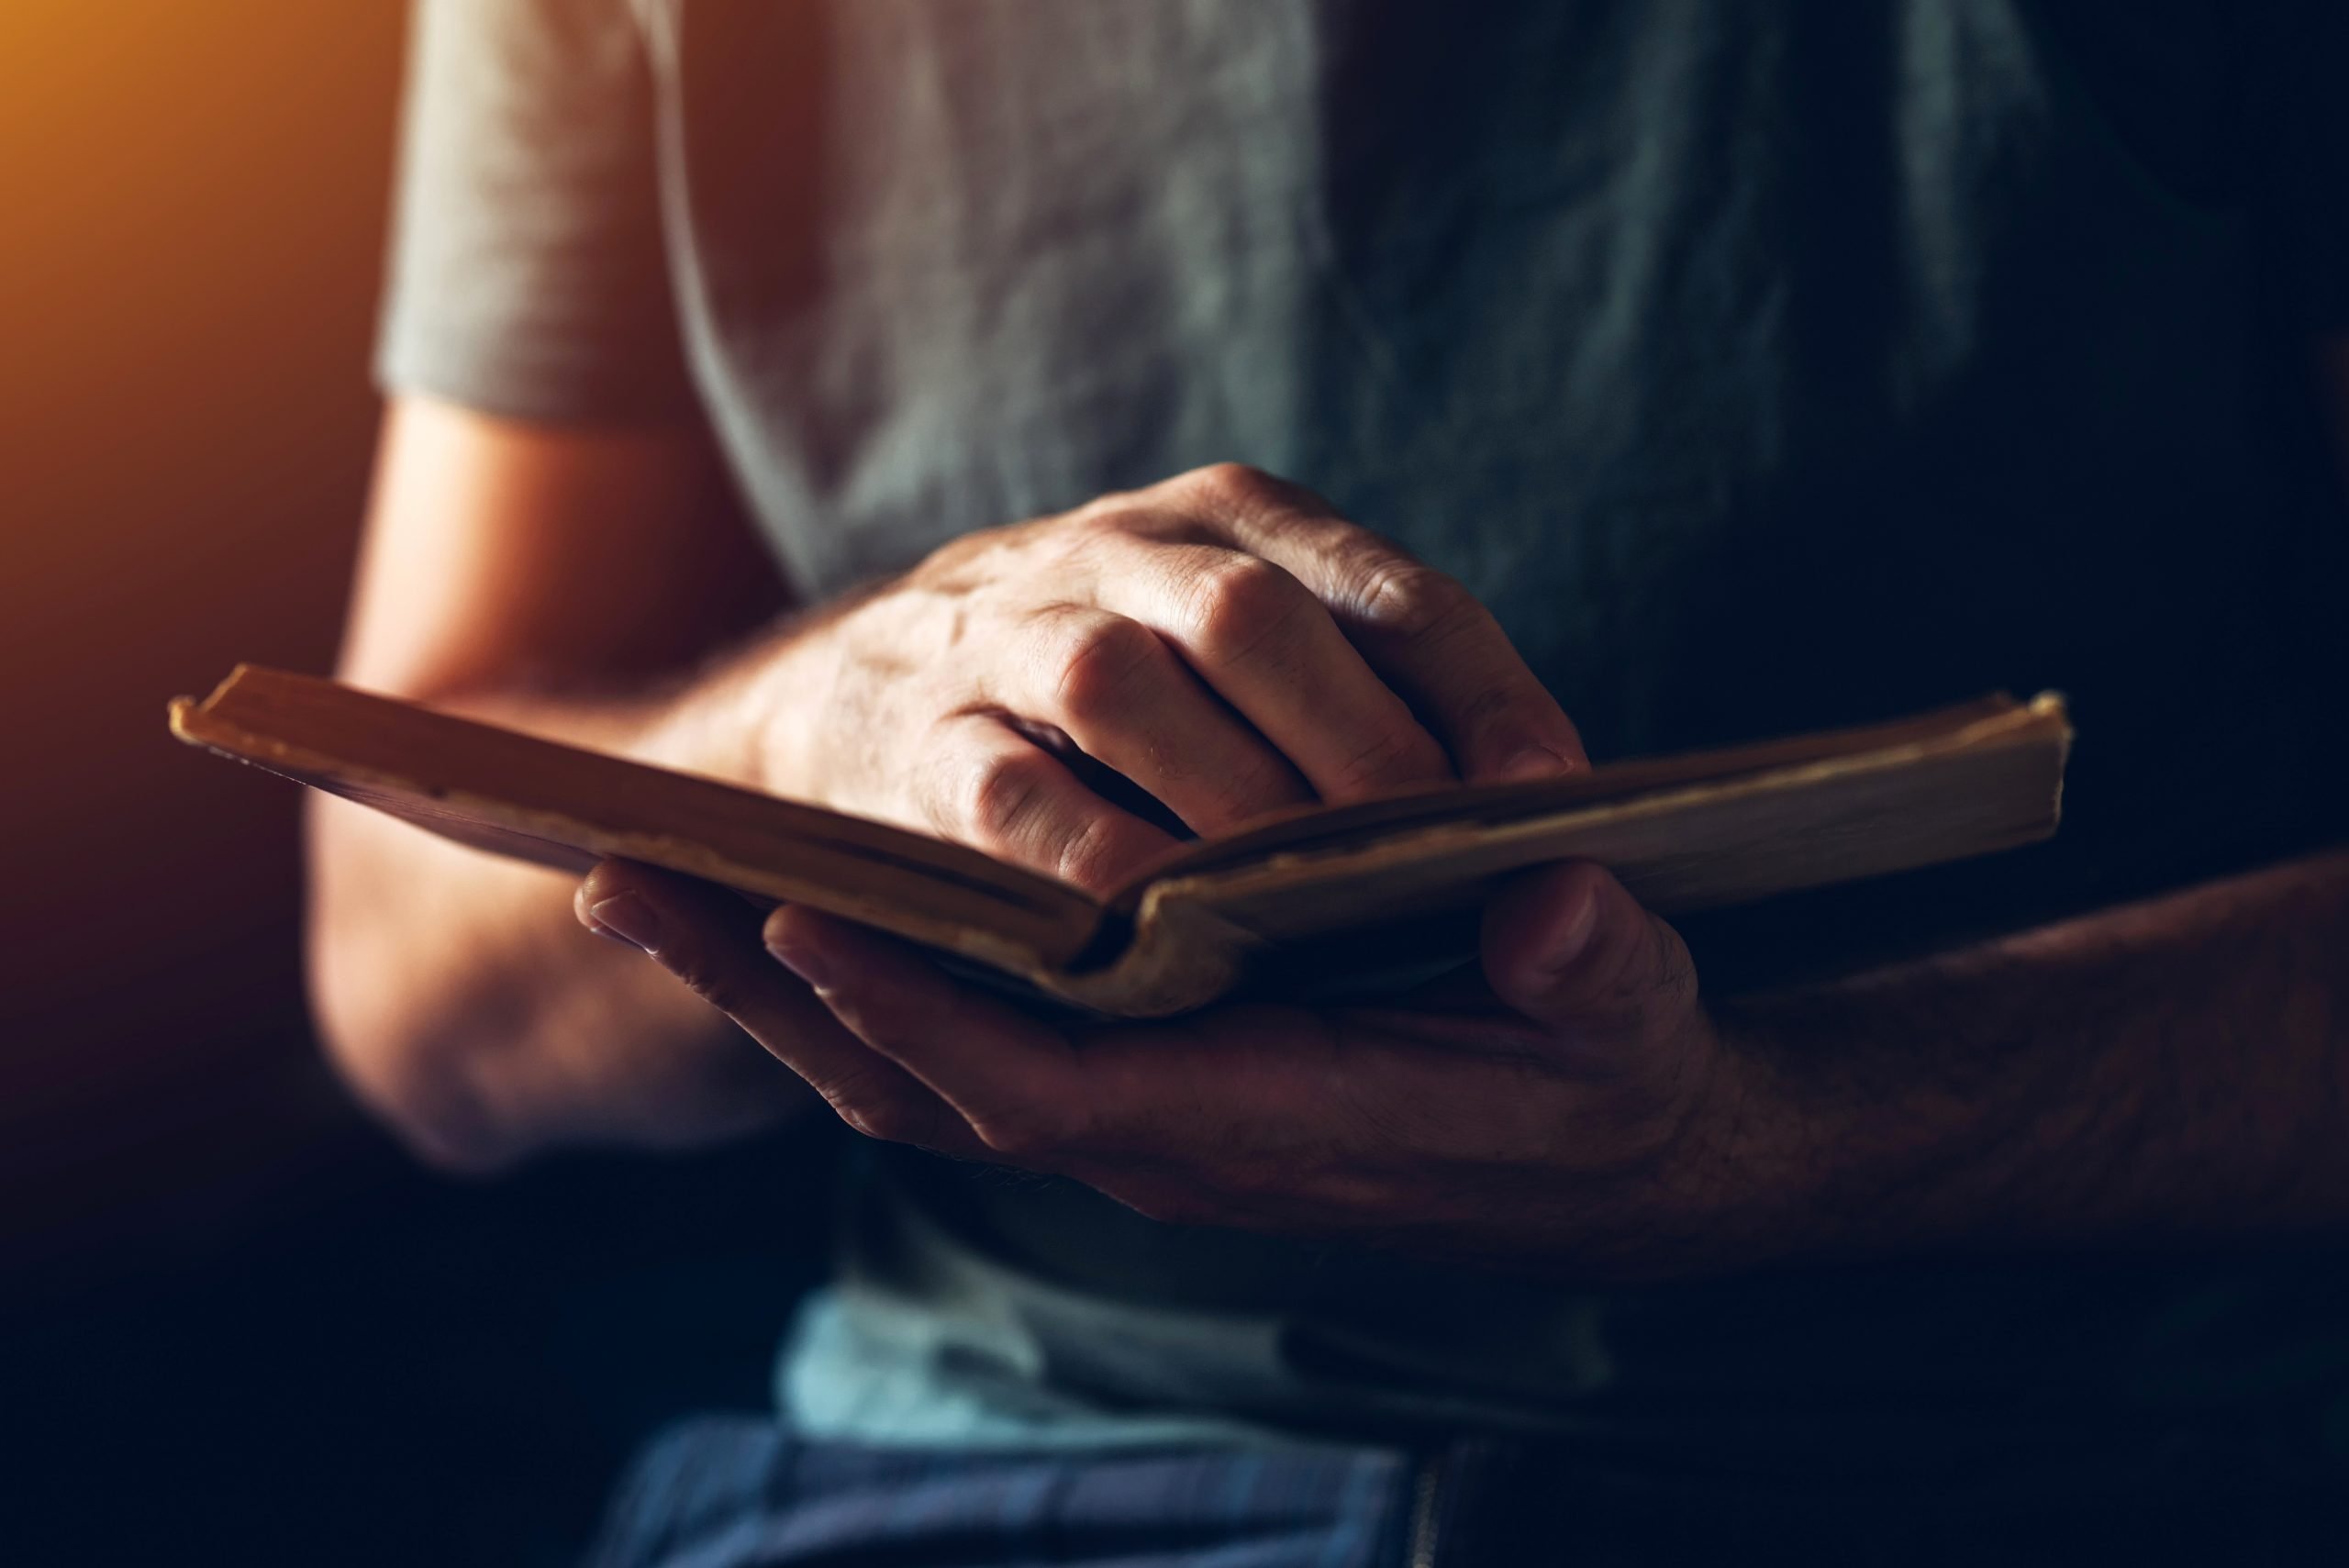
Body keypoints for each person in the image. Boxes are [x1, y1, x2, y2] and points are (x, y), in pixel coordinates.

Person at [315, 1, 2349, 1561]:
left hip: (2051, 1470)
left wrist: (1782, 1134)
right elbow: (409, 981)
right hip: (971, 1476)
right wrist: (789, 749)